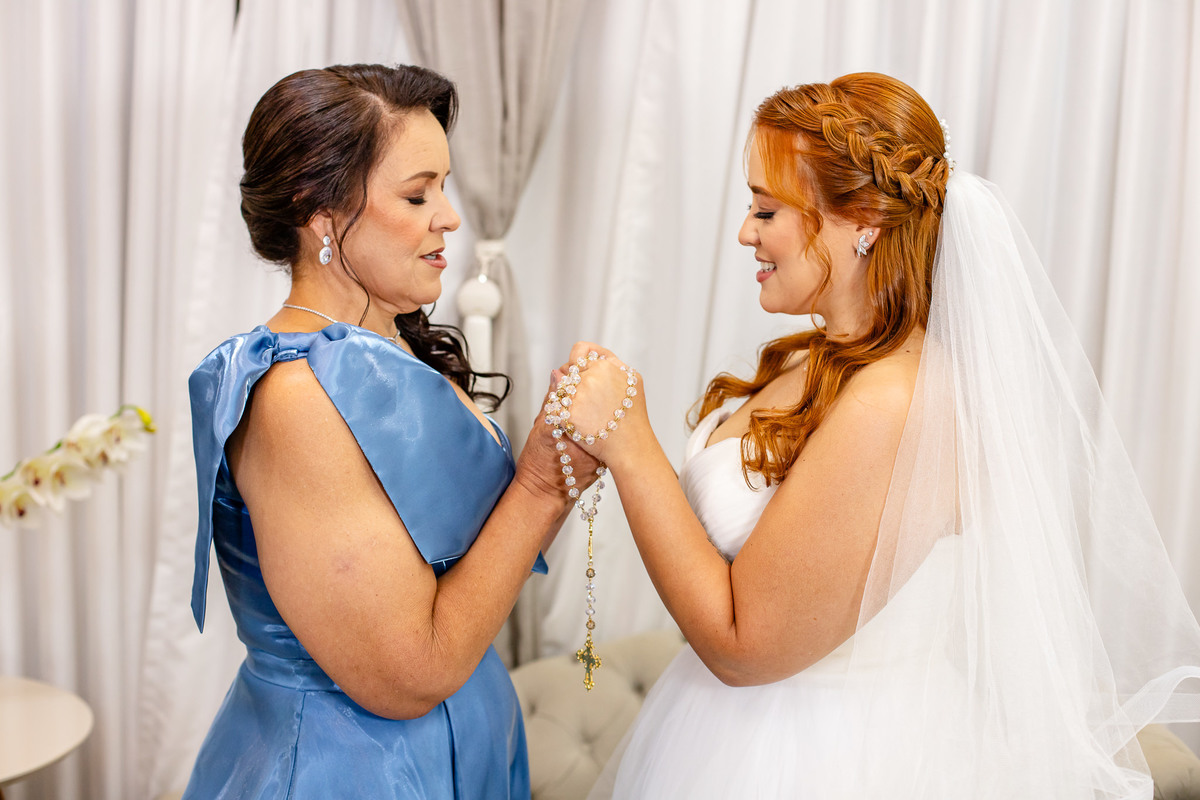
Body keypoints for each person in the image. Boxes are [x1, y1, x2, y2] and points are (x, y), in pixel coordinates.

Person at [567, 73, 1200, 798]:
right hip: (719, 731)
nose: (746, 232)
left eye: (767, 209)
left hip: (819, 760)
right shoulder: (813, 359)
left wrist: (628, 440)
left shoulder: (897, 401)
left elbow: (745, 645)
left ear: (863, 218)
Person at [184, 63, 591, 799]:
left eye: (443, 187)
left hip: (464, 737)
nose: (450, 217)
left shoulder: (389, 346)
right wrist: (541, 484)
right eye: (417, 194)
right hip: (356, 767)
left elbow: (473, 565)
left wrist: (565, 454)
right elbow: (408, 675)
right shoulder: (294, 397)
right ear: (319, 210)